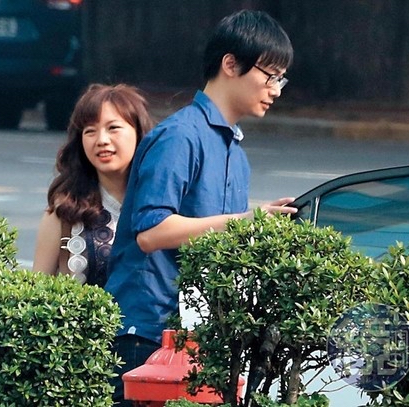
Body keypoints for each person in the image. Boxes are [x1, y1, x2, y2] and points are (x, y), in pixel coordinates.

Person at [105, 10, 299, 405]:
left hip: (198, 339)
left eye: (281, 79)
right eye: (270, 75)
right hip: (146, 334)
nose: (276, 89)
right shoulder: (180, 136)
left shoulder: (235, 153)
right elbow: (150, 233)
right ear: (230, 64)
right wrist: (244, 220)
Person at [32, 83, 154, 287]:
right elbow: (37, 291)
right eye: (90, 131)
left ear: (138, 132)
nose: (102, 140)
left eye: (113, 128)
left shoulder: (163, 206)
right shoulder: (64, 212)